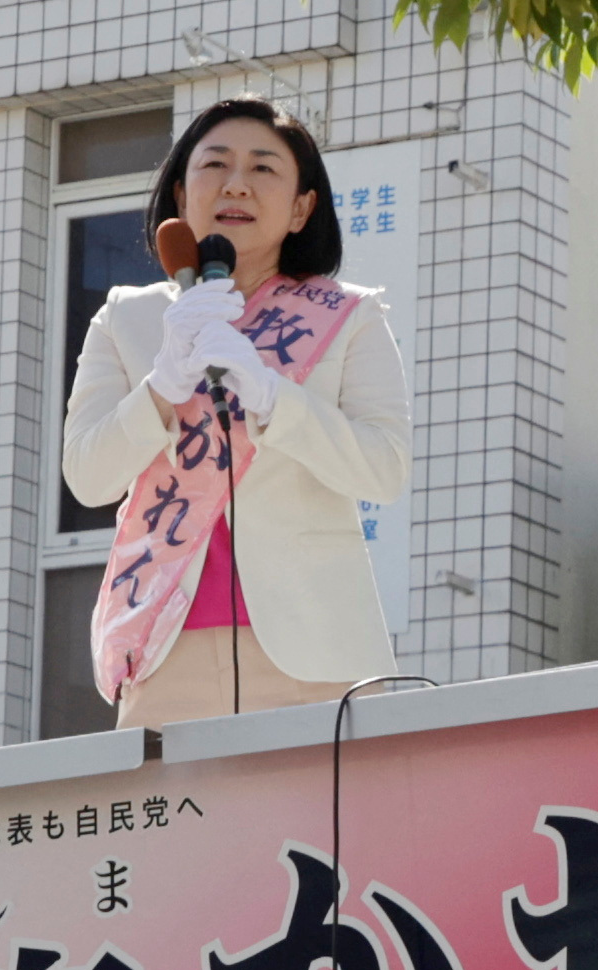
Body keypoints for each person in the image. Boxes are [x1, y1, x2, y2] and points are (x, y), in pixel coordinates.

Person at [64, 96, 410, 732]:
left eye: (264, 169)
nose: (236, 184)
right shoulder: (129, 318)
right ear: (179, 192)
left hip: (315, 648)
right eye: (214, 164)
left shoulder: (349, 315)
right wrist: (161, 388)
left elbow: (384, 468)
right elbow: (87, 476)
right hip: (166, 645)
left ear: (303, 206)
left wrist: (276, 397)